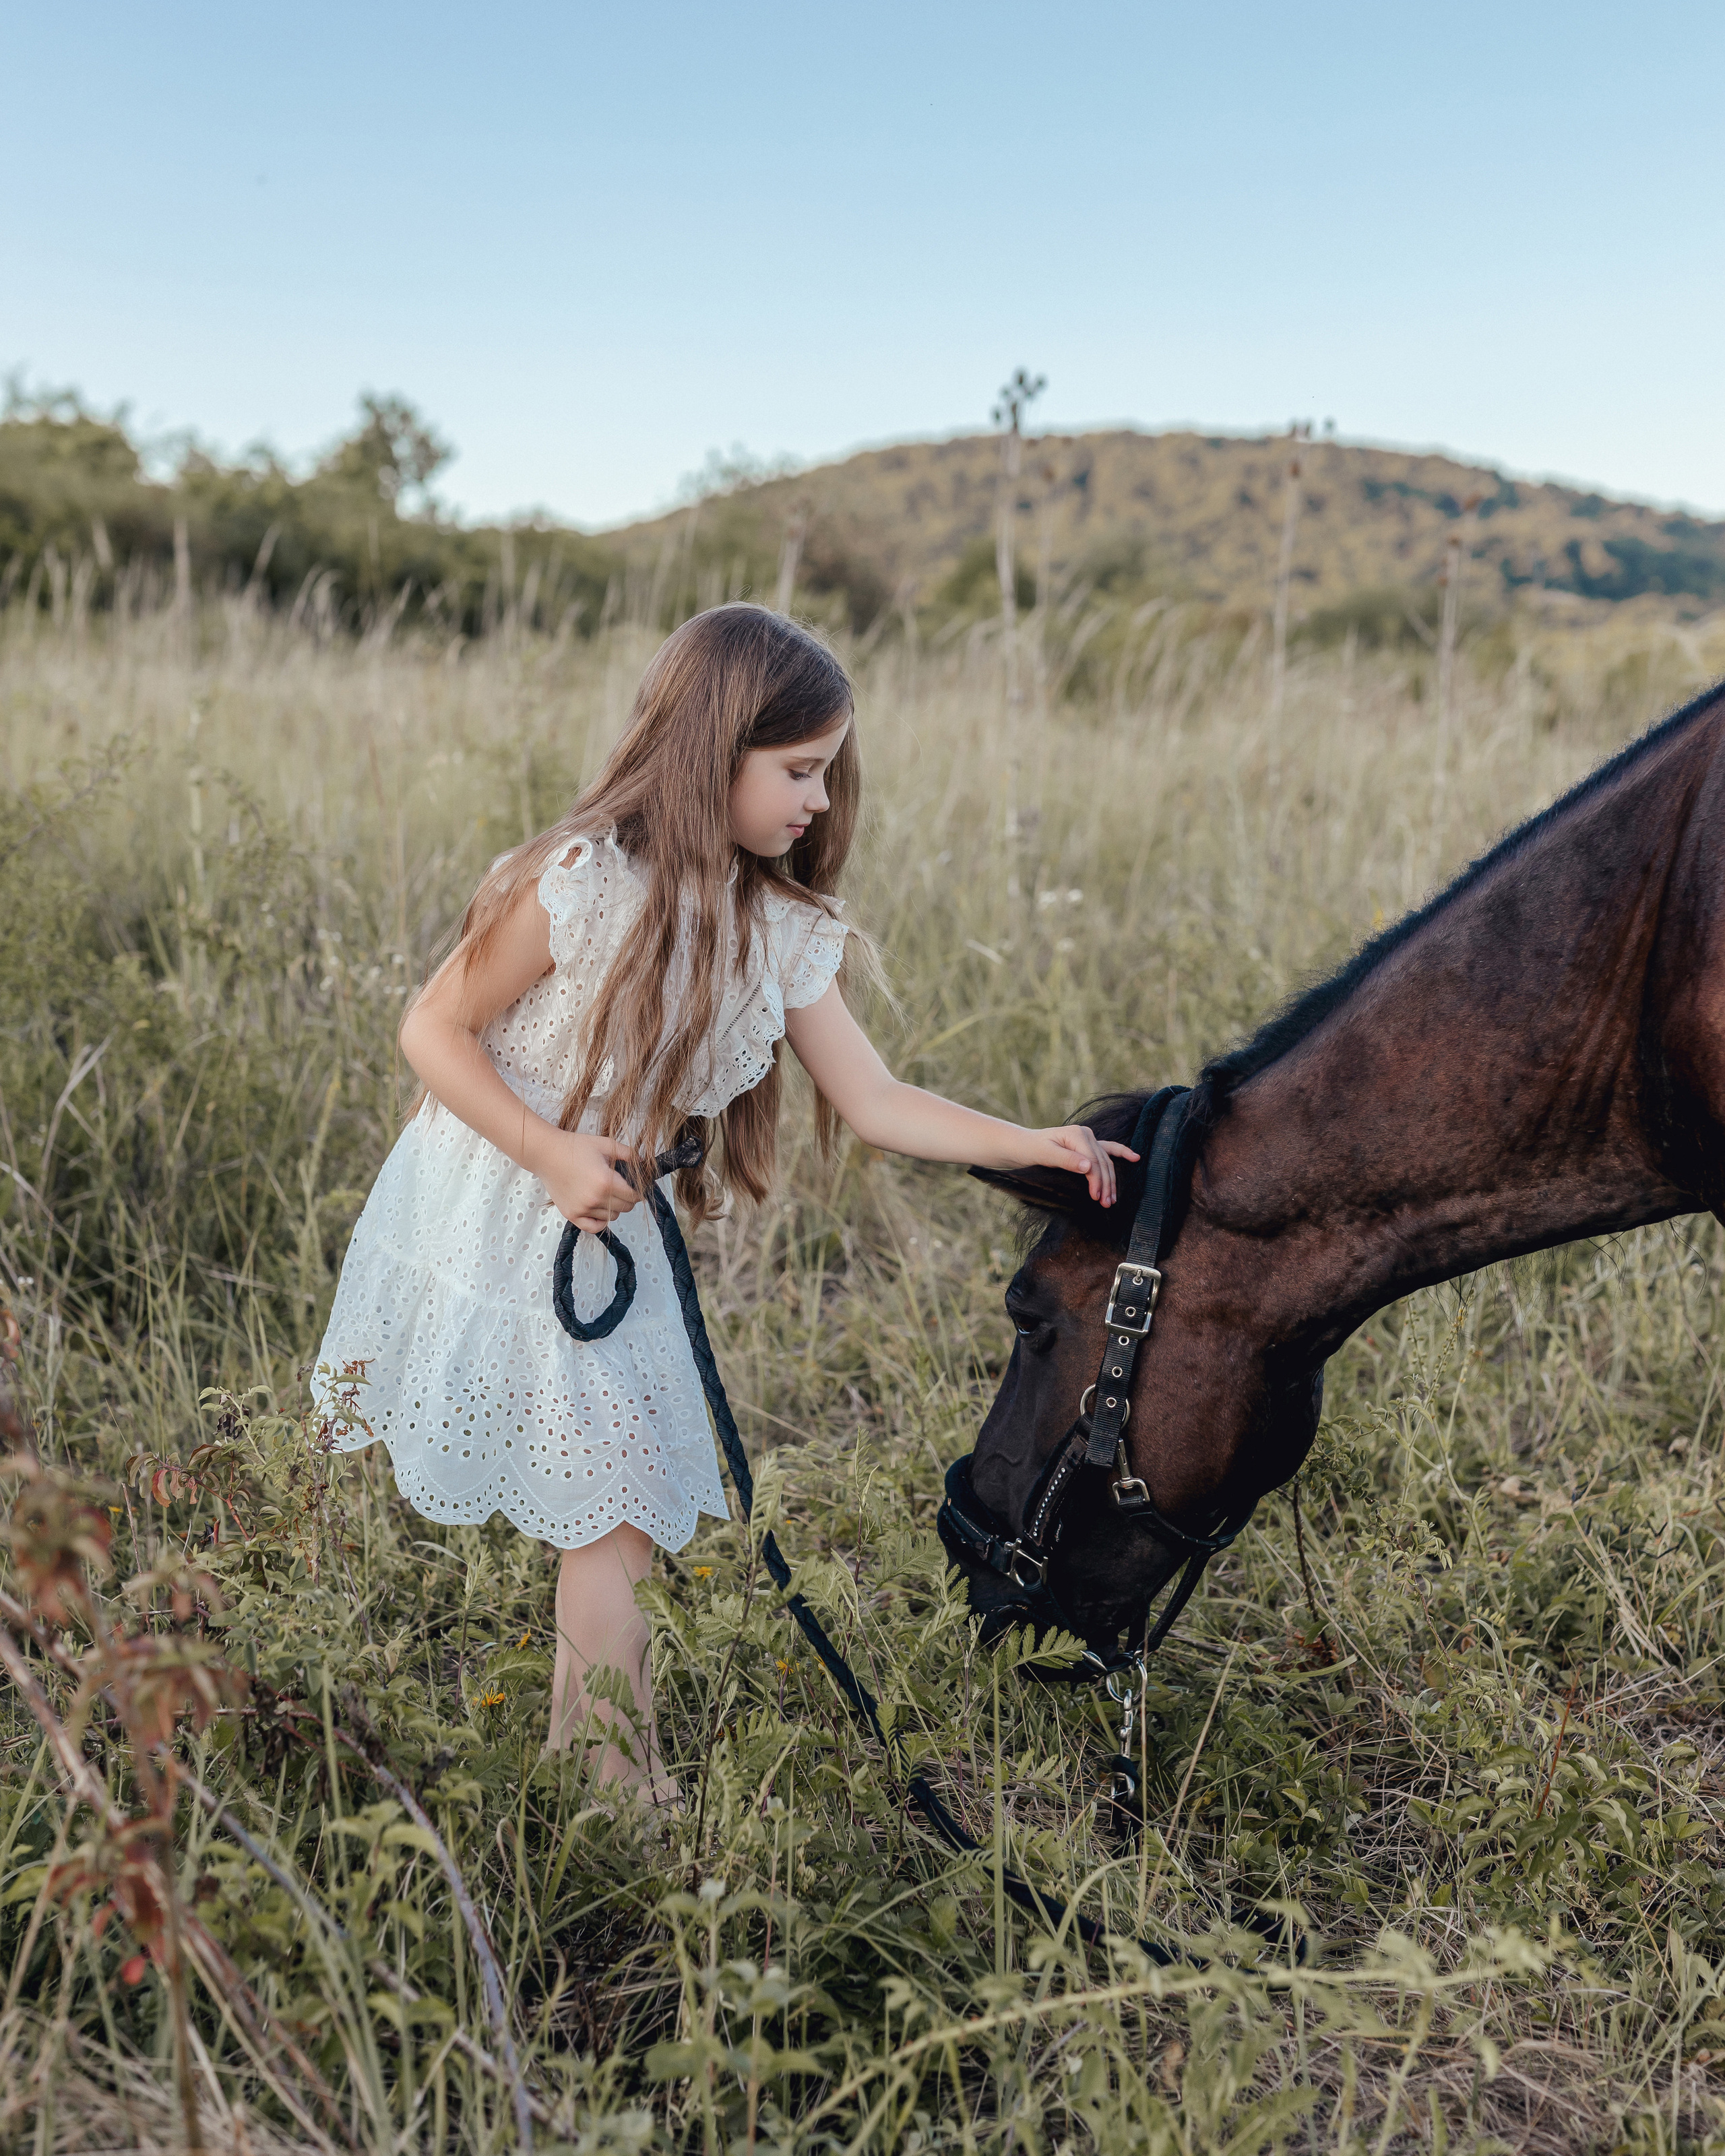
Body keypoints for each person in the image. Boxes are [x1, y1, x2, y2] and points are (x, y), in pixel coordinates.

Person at [315, 603, 1135, 1806]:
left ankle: (588, 1767)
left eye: (828, 771)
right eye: (797, 769)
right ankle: (617, 1787)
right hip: (500, 1194)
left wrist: (1031, 1144)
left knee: (620, 1494)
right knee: (613, 1501)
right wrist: (546, 1152)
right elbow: (433, 1030)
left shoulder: (778, 927)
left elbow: (877, 1099)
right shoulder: (578, 883)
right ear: (715, 746)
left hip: (611, 1229)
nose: (817, 798)